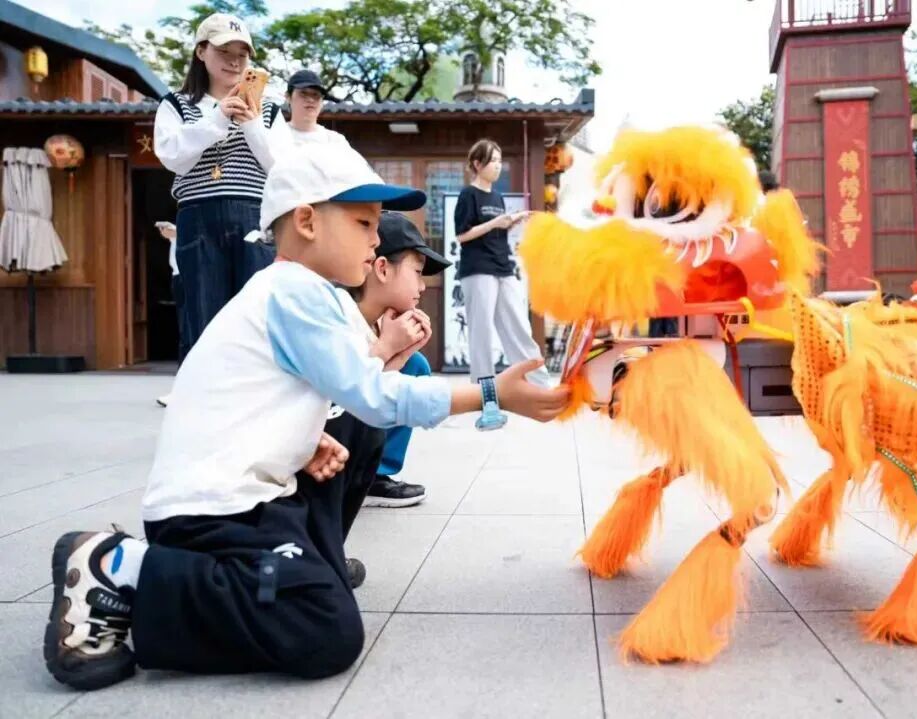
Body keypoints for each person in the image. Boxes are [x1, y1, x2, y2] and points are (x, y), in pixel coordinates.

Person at [43, 143, 569, 691]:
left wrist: (304, 436)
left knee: (332, 545)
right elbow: (374, 395)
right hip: (211, 513)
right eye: (364, 223)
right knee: (324, 630)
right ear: (307, 222)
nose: (376, 238)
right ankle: (120, 567)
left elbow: (268, 394)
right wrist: (492, 394)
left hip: (250, 498)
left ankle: (274, 572)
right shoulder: (295, 292)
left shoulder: (306, 293)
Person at [153, 12, 291, 351]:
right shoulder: (176, 104)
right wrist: (216, 120)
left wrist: (252, 124)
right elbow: (172, 156)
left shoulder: (269, 110)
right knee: (203, 318)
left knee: (257, 319)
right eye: (224, 51)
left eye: (242, 54)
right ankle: (202, 385)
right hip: (198, 217)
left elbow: (282, 166)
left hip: (254, 216)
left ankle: (257, 387)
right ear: (201, 52)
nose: (234, 61)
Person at [352, 211, 450, 507]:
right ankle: (352, 476)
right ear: (382, 268)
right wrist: (387, 346)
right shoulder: (336, 317)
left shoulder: (378, 321)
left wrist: (402, 351)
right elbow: (342, 393)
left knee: (414, 365)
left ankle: (373, 475)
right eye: (417, 272)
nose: (422, 286)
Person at [454, 139, 549, 385]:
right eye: (492, 160)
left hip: (503, 266)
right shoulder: (468, 195)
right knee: (481, 332)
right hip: (478, 269)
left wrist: (512, 222)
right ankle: (483, 388)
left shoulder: (497, 197)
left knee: (518, 324)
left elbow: (496, 232)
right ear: (477, 164)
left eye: (499, 160)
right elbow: (462, 235)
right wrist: (495, 223)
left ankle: (539, 382)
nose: (498, 166)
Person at [154, 221, 188, 408]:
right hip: (179, 275)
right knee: (185, 334)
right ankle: (182, 389)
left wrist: (178, 233)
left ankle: (184, 390)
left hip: (190, 274)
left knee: (191, 333)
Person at [285, 69, 352, 149]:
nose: (310, 100)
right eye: (303, 93)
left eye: (315, 94)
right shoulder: (275, 135)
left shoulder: (336, 141)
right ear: (288, 97)